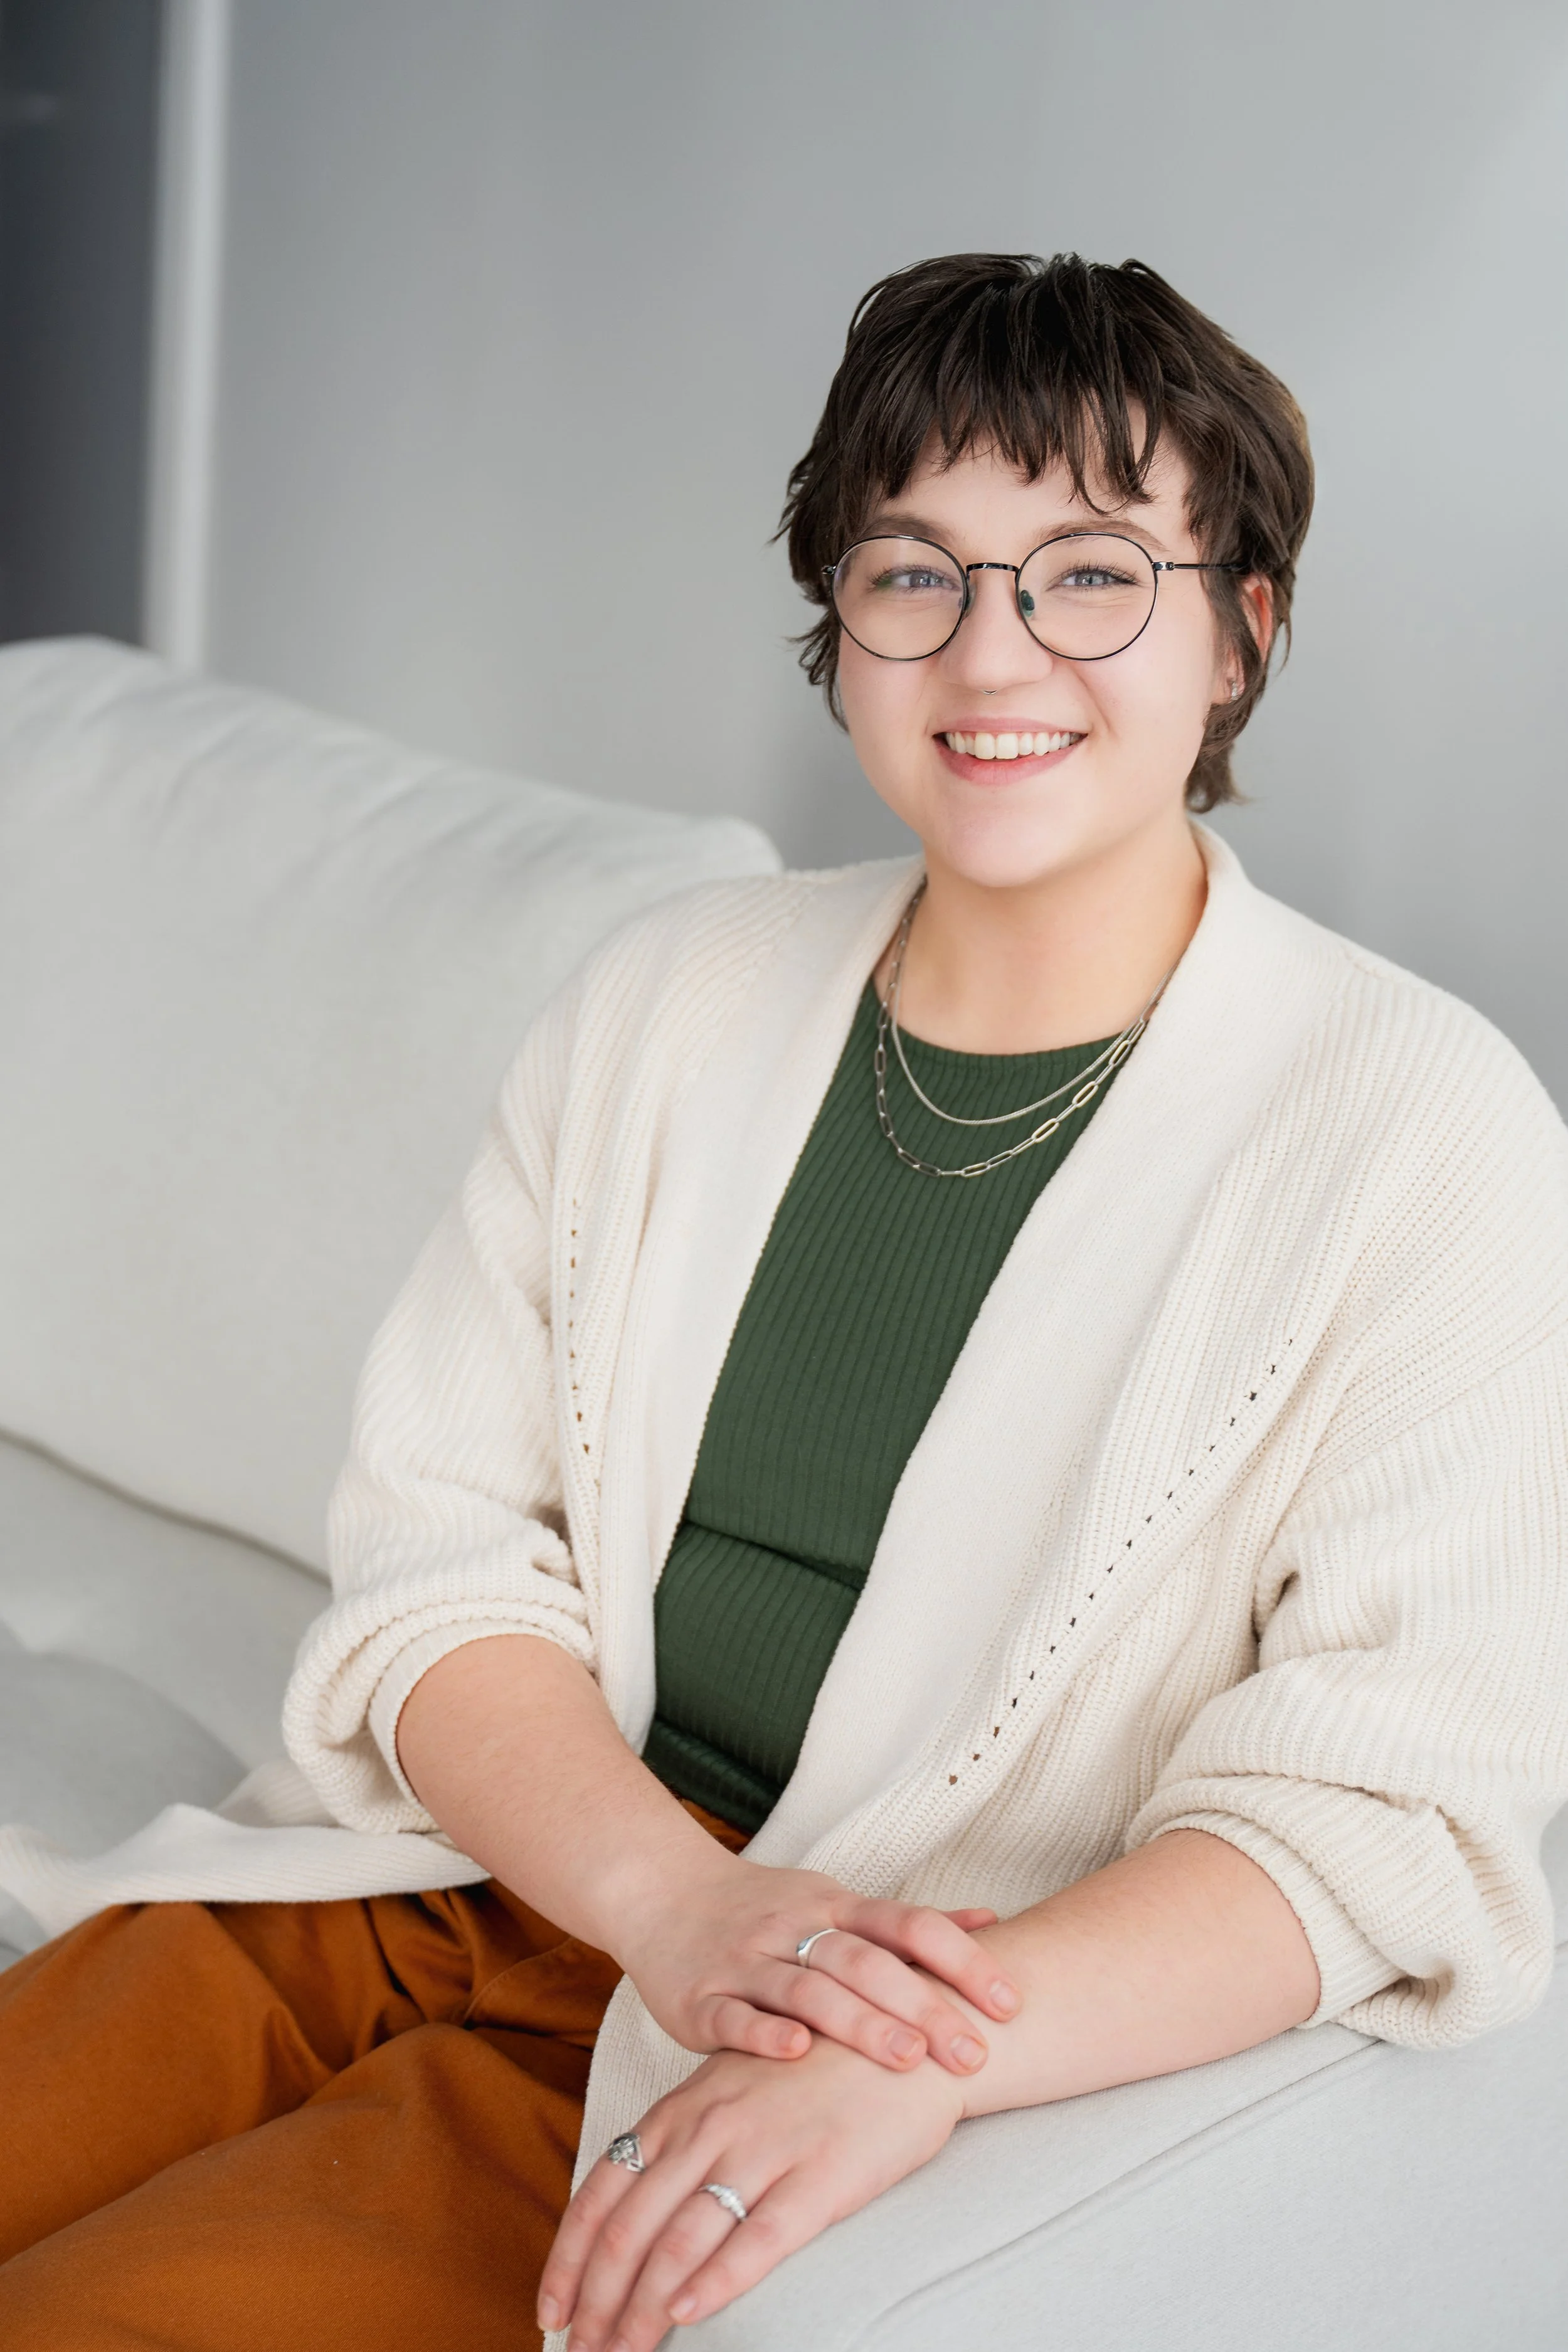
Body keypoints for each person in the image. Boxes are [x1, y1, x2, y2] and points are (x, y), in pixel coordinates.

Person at [2, 252, 1565, 2352]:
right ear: (840, 629)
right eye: (912, 571)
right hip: (424, 1867)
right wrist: (669, 1893)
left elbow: (1384, 1812)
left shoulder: (1420, 1129)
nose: (989, 648)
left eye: (1089, 572)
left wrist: (902, 2046)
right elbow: (438, 1564)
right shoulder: (672, 989)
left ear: (1239, 633)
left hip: (797, 2013)